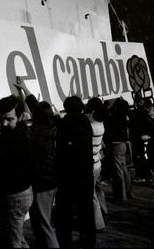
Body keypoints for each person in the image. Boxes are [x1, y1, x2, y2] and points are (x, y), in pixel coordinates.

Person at [14, 77, 60, 248]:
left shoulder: (33, 133)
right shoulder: (54, 125)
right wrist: (24, 88)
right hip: (52, 180)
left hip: (42, 183)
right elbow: (36, 106)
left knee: (43, 223)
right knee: (41, 220)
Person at [0, 95, 33, 248]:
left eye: (9, 119)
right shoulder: (20, 132)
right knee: (16, 235)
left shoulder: (21, 138)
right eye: (1, 118)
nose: (3, 123)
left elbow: (8, 159)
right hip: (17, 192)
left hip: (15, 194)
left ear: (21, 116)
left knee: (13, 240)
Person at [55, 96, 95, 249]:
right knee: (86, 211)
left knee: (65, 213)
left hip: (68, 176)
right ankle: (89, 242)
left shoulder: (65, 124)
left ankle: (66, 243)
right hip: (85, 173)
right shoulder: (85, 122)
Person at [84, 97, 108, 231]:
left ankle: (98, 224)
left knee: (91, 195)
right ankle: (101, 216)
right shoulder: (100, 124)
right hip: (97, 163)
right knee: (94, 192)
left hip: (91, 164)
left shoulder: (91, 126)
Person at [105, 98, 133, 200]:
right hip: (123, 144)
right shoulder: (125, 117)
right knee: (124, 168)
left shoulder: (113, 117)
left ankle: (121, 195)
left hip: (115, 145)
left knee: (118, 171)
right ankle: (128, 192)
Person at [129, 97, 153, 183]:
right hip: (141, 137)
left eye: (141, 102)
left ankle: (142, 176)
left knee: (139, 157)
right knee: (142, 157)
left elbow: (134, 125)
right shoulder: (144, 113)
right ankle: (146, 175)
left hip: (139, 138)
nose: (139, 102)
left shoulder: (140, 113)